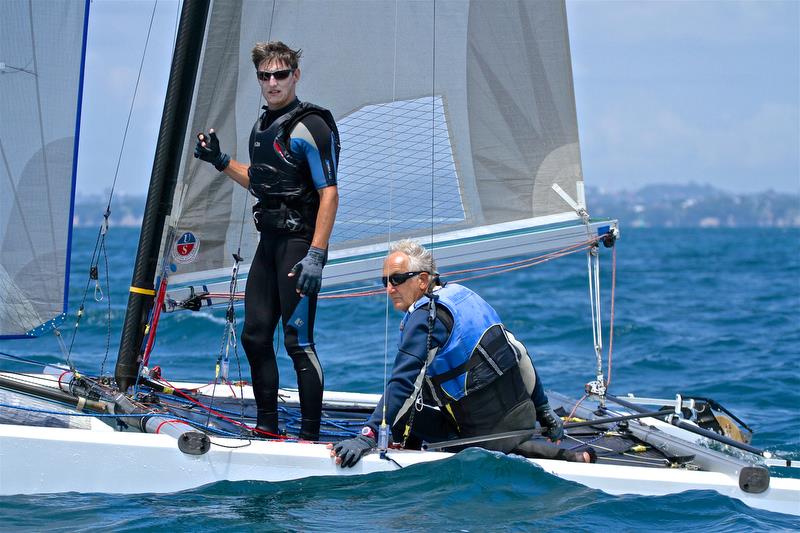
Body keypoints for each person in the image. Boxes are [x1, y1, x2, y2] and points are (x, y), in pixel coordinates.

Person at [332, 240, 595, 466]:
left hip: (485, 434)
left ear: (423, 280)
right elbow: (519, 353)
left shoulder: (425, 318)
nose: (389, 288)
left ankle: (569, 458)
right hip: (524, 414)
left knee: (402, 418)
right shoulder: (462, 295)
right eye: (385, 281)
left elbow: (403, 384)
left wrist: (367, 435)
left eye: (397, 279)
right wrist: (543, 409)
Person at [194, 41, 339, 441]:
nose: (272, 83)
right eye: (265, 76)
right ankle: (268, 428)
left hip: (299, 246)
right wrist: (222, 162)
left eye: (280, 75)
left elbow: (329, 192)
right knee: (255, 335)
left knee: (298, 341)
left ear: (295, 75)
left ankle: (310, 436)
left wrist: (317, 254)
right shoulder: (262, 127)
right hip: (269, 243)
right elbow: (260, 181)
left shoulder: (313, 125)